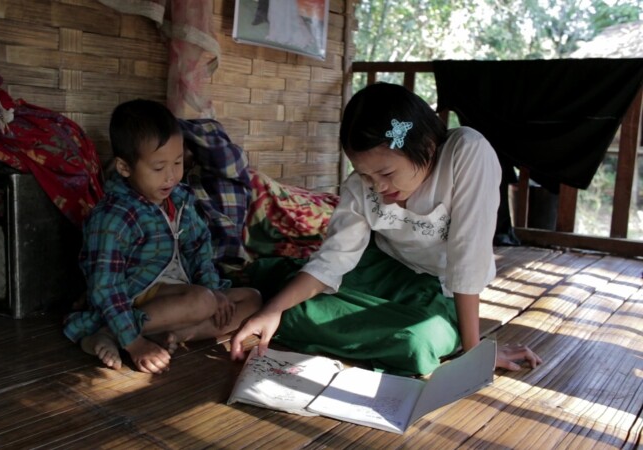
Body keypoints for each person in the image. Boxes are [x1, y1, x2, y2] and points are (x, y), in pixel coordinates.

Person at [230, 82, 542, 376]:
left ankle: (264, 305)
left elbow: (467, 257)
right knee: (303, 283)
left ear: (428, 146)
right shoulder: (361, 186)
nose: (377, 186)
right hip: (380, 269)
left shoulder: (466, 153)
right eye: (366, 174)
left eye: (386, 172)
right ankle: (272, 307)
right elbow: (332, 262)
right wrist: (276, 308)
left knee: (421, 342)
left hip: (442, 288)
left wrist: (475, 354)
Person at [64, 99, 262, 374]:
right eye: (158, 168)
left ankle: (170, 335)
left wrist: (216, 292)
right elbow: (105, 286)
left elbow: (200, 249)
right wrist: (133, 344)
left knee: (252, 300)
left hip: (180, 294)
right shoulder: (113, 216)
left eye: (178, 162)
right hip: (134, 297)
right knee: (203, 302)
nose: (171, 177)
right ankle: (115, 331)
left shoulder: (181, 199)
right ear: (124, 168)